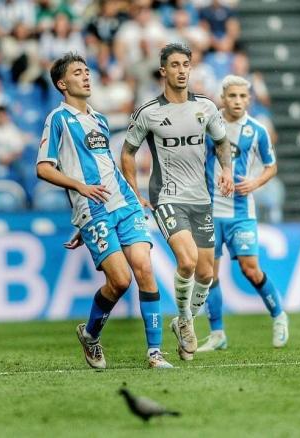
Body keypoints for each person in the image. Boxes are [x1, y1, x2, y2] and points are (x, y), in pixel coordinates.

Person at [36, 52, 172, 370]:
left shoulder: (98, 119)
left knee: (144, 269)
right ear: (62, 83)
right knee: (120, 281)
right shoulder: (58, 119)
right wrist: (80, 194)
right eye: (78, 73)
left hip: (123, 202)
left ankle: (155, 353)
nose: (86, 76)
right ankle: (91, 335)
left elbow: (107, 165)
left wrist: (133, 194)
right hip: (92, 208)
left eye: (87, 71)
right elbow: (43, 168)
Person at [120, 43, 234, 361]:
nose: (182, 70)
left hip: (201, 198)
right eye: (175, 65)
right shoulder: (149, 113)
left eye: (186, 64)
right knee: (187, 261)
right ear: (163, 71)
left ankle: (184, 321)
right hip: (167, 196)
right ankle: (185, 321)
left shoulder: (207, 109)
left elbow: (222, 142)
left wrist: (226, 169)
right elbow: (127, 153)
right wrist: (133, 191)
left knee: (207, 273)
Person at [198, 75, 288, 352]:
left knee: (250, 269)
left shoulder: (257, 130)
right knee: (208, 275)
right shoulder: (209, 127)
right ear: (222, 98)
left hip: (241, 212)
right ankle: (217, 334)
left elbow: (271, 166)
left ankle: (279, 316)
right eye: (232, 96)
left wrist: (255, 182)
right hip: (210, 211)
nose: (237, 101)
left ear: (249, 99)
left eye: (242, 96)